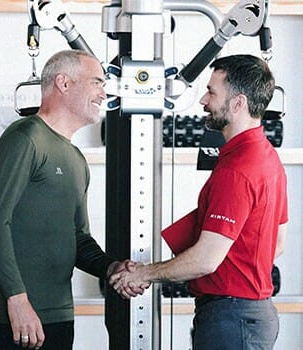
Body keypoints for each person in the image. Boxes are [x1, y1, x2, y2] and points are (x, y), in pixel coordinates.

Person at [110, 54, 288, 350]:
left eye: (212, 92)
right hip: (248, 313)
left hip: (232, 318)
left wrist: (143, 273)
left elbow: (206, 259)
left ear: (238, 103)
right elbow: (277, 244)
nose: (204, 100)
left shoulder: (237, 170)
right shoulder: (267, 158)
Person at [0, 49, 142, 350]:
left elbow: (78, 237)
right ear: (64, 83)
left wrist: (110, 268)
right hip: (13, 316)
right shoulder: (25, 138)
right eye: (97, 82)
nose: (104, 93)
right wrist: (17, 300)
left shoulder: (76, 158)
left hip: (58, 315)